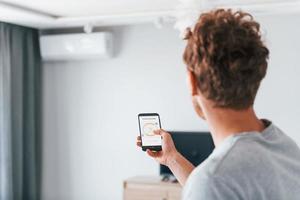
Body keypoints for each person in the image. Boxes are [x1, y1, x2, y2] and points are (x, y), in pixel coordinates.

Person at [136, 9, 300, 200]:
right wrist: (172, 158)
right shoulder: (286, 149)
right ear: (256, 75)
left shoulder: (213, 181)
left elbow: (213, 185)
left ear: (192, 81)